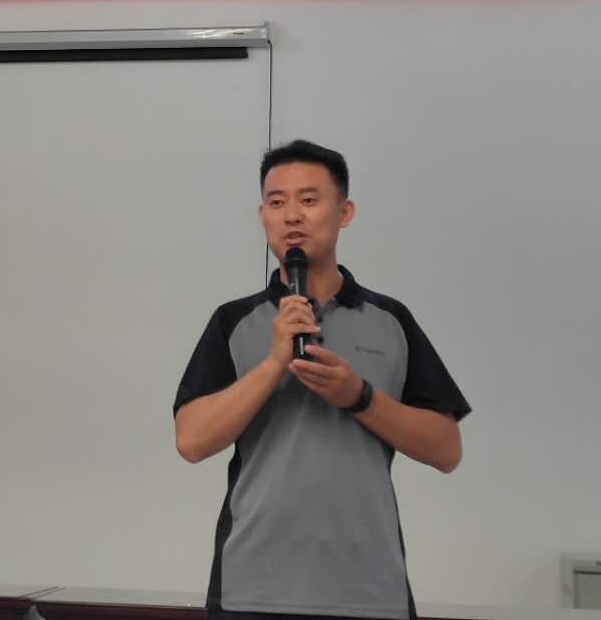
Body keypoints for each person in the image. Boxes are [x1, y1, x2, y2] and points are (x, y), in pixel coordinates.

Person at [172, 139, 470, 620]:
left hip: (371, 590)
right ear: (262, 216)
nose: (292, 216)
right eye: (276, 202)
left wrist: (361, 397)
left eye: (309, 200)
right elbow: (191, 441)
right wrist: (273, 365)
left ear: (344, 212)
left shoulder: (390, 320)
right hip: (253, 590)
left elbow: (446, 449)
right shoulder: (233, 322)